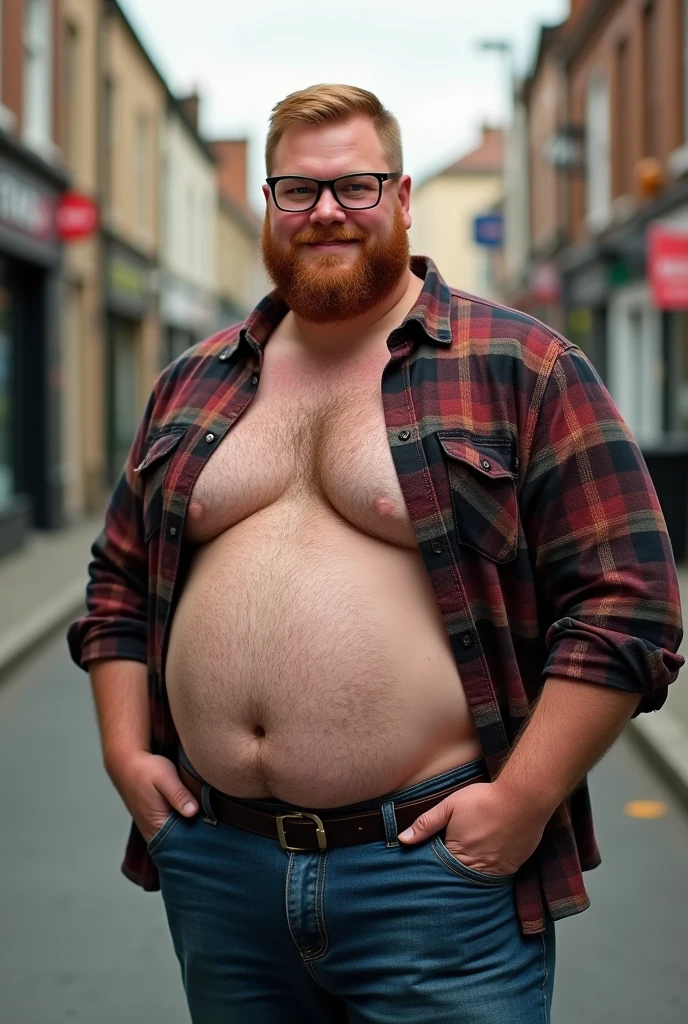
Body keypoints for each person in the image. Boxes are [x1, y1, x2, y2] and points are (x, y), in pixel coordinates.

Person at [68, 83, 683, 1024]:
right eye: (297, 191)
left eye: (355, 187)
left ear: (399, 198)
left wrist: (519, 805)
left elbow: (628, 603)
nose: (325, 213)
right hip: (218, 866)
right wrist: (123, 751)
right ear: (268, 205)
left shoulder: (522, 366)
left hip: (429, 878)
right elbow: (115, 579)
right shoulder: (191, 382)